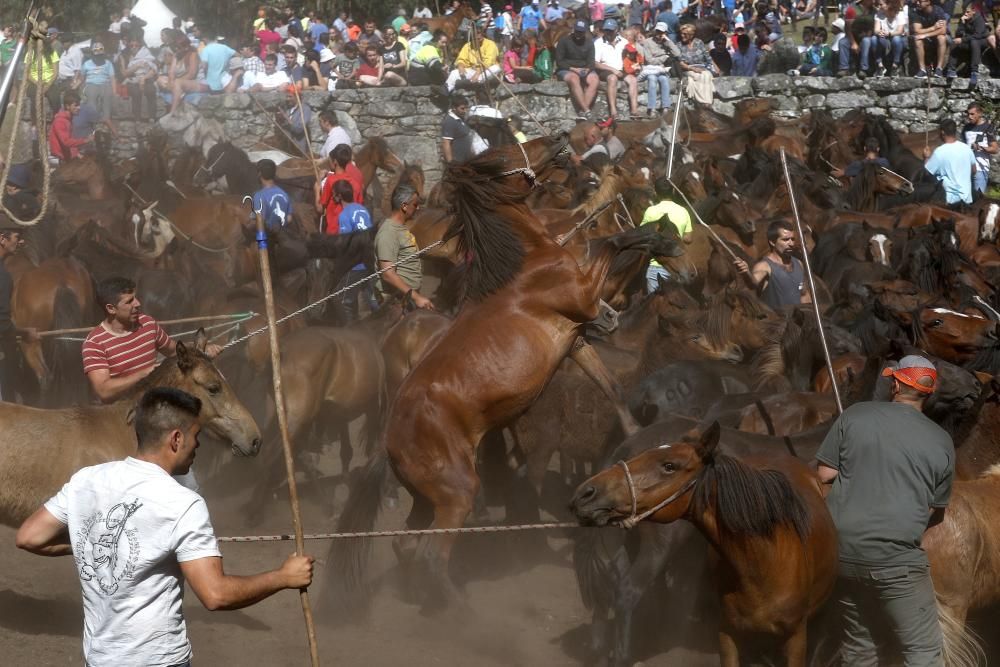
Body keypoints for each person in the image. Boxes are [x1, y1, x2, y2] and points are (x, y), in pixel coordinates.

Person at [15, 387, 315, 667]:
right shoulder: (183, 503)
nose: (198, 445)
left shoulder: (86, 480)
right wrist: (283, 577)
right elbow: (216, 594)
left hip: (99, 660)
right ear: (175, 439)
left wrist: (97, 546)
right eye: (196, 435)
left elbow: (30, 537)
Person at [815, 355, 953, 667]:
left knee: (860, 648)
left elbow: (824, 475)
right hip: (897, 564)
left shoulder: (855, 415)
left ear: (895, 384)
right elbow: (933, 507)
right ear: (929, 393)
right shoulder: (942, 441)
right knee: (923, 653)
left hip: (843, 557)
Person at [81, 277, 222, 403]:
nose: (137, 303)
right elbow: (103, 391)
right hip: (117, 414)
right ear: (111, 309)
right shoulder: (94, 343)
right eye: (129, 301)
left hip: (153, 404)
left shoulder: (147, 323)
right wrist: (144, 373)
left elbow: (173, 351)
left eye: (135, 297)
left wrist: (201, 349)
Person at [375, 185, 434, 310]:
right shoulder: (388, 232)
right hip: (393, 304)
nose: (418, 208)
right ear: (404, 206)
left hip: (406, 299)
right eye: (415, 204)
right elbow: (388, 274)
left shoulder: (401, 228)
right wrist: (417, 297)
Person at [0, 220, 38, 402]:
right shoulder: (3, 277)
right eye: (17, 237)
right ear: (2, 239)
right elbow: (2, 323)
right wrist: (23, 333)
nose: (21, 242)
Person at [734, 219, 811, 309]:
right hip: (779, 321)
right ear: (772, 242)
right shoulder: (764, 266)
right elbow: (753, 283)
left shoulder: (798, 263)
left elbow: (804, 293)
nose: (791, 243)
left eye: (792, 239)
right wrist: (746, 272)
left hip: (799, 320)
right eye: (785, 240)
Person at [641, 178, 693, 291]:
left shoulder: (650, 211)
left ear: (655, 192)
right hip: (678, 267)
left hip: (656, 265)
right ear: (673, 191)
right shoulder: (683, 211)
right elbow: (688, 238)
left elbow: (644, 235)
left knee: (654, 303)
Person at [922, 118, 977, 209]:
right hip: (967, 198)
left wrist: (926, 157)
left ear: (942, 132)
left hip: (950, 201)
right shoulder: (966, 148)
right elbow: (974, 170)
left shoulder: (939, 152)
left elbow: (927, 173)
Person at [595, 19, 640, 120]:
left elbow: (630, 57)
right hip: (605, 69)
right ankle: (613, 110)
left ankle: (634, 110)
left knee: (633, 80)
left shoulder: (624, 42)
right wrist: (613, 70)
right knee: (612, 78)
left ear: (616, 30)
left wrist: (634, 65)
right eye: (606, 30)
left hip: (621, 69)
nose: (608, 33)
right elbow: (595, 63)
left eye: (611, 30)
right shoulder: (598, 43)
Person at [316, 144, 365, 235]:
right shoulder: (356, 183)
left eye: (329, 160)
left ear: (335, 162)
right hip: (352, 233)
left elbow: (320, 209)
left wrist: (317, 188)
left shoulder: (330, 181)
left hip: (335, 232)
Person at [556, 20, 600, 119]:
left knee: (595, 80)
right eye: (577, 31)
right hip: (566, 68)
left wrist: (587, 70)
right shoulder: (564, 41)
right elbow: (559, 61)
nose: (578, 34)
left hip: (584, 68)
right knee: (574, 78)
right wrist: (574, 69)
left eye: (581, 32)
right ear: (573, 30)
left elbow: (591, 62)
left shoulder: (589, 43)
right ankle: (586, 110)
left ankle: (582, 112)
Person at [639, 22, 678, 117]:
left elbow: (677, 54)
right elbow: (649, 60)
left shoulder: (666, 42)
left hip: (663, 70)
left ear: (665, 33)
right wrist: (664, 57)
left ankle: (665, 107)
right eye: (657, 31)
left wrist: (668, 42)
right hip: (652, 69)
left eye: (661, 32)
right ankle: (651, 108)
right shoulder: (647, 42)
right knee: (652, 79)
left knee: (664, 79)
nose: (659, 34)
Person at [117, 35, 158, 122]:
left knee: (151, 90)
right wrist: (137, 66)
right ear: (129, 46)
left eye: (136, 46)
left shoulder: (145, 54)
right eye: (131, 46)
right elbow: (125, 73)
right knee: (136, 92)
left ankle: (152, 117)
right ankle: (137, 118)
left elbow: (153, 70)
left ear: (140, 46)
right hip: (132, 79)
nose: (134, 48)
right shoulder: (125, 56)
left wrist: (143, 78)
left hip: (146, 78)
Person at [962, 102, 998, 195]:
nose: (969, 116)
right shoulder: (966, 128)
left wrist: (981, 147)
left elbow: (995, 149)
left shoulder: (988, 128)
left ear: (980, 113)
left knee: (978, 200)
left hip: (980, 169)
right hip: (966, 169)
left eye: (972, 114)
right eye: (968, 114)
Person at [440, 93, 487, 164]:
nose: (465, 111)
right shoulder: (449, 121)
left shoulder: (461, 118)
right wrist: (451, 163)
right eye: (462, 108)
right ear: (454, 108)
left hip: (467, 160)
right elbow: (446, 143)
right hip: (458, 162)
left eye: (466, 108)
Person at [947, 4, 989, 83]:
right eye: (965, 12)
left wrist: (962, 39)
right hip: (969, 40)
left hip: (982, 41)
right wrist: (962, 23)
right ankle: (951, 70)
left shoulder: (979, 19)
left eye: (968, 12)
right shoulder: (964, 19)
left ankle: (974, 72)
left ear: (974, 11)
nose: (965, 14)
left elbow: (978, 35)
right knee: (954, 42)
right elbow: (958, 34)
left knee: (974, 42)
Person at [676, 23, 716, 106]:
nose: (682, 36)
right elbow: (681, 63)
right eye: (681, 34)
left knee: (707, 75)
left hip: (702, 67)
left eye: (685, 34)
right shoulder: (679, 45)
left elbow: (707, 57)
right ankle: (703, 102)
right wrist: (693, 69)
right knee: (699, 76)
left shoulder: (699, 42)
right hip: (688, 68)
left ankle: (707, 102)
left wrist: (716, 67)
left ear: (691, 35)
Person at [910, 0, 950, 79]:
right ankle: (922, 70)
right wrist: (933, 28)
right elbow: (917, 30)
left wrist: (925, 34)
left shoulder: (938, 10)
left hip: (936, 36)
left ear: (928, 2)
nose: (917, 3)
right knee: (917, 40)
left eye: (920, 1)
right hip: (927, 37)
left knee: (941, 37)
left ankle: (939, 69)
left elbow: (943, 30)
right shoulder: (916, 12)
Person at [49, 91, 93, 162]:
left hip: (65, 155)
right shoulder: (60, 121)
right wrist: (86, 140)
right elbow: (66, 142)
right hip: (59, 159)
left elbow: (70, 138)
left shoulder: (68, 119)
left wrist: (76, 153)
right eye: (76, 105)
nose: (79, 108)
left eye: (79, 105)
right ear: (67, 106)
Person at [251, 159, 293, 231]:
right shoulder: (284, 194)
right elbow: (289, 218)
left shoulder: (258, 196)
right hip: (283, 237)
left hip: (270, 238)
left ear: (259, 174)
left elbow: (260, 222)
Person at [81, 41, 115, 123]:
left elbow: (112, 78)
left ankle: (106, 119)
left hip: (105, 83)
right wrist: (81, 91)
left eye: (100, 51)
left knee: (107, 97)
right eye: (96, 51)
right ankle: (93, 121)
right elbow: (82, 78)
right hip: (91, 83)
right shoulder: (86, 64)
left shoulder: (108, 63)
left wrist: (114, 91)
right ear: (92, 53)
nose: (99, 53)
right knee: (91, 98)